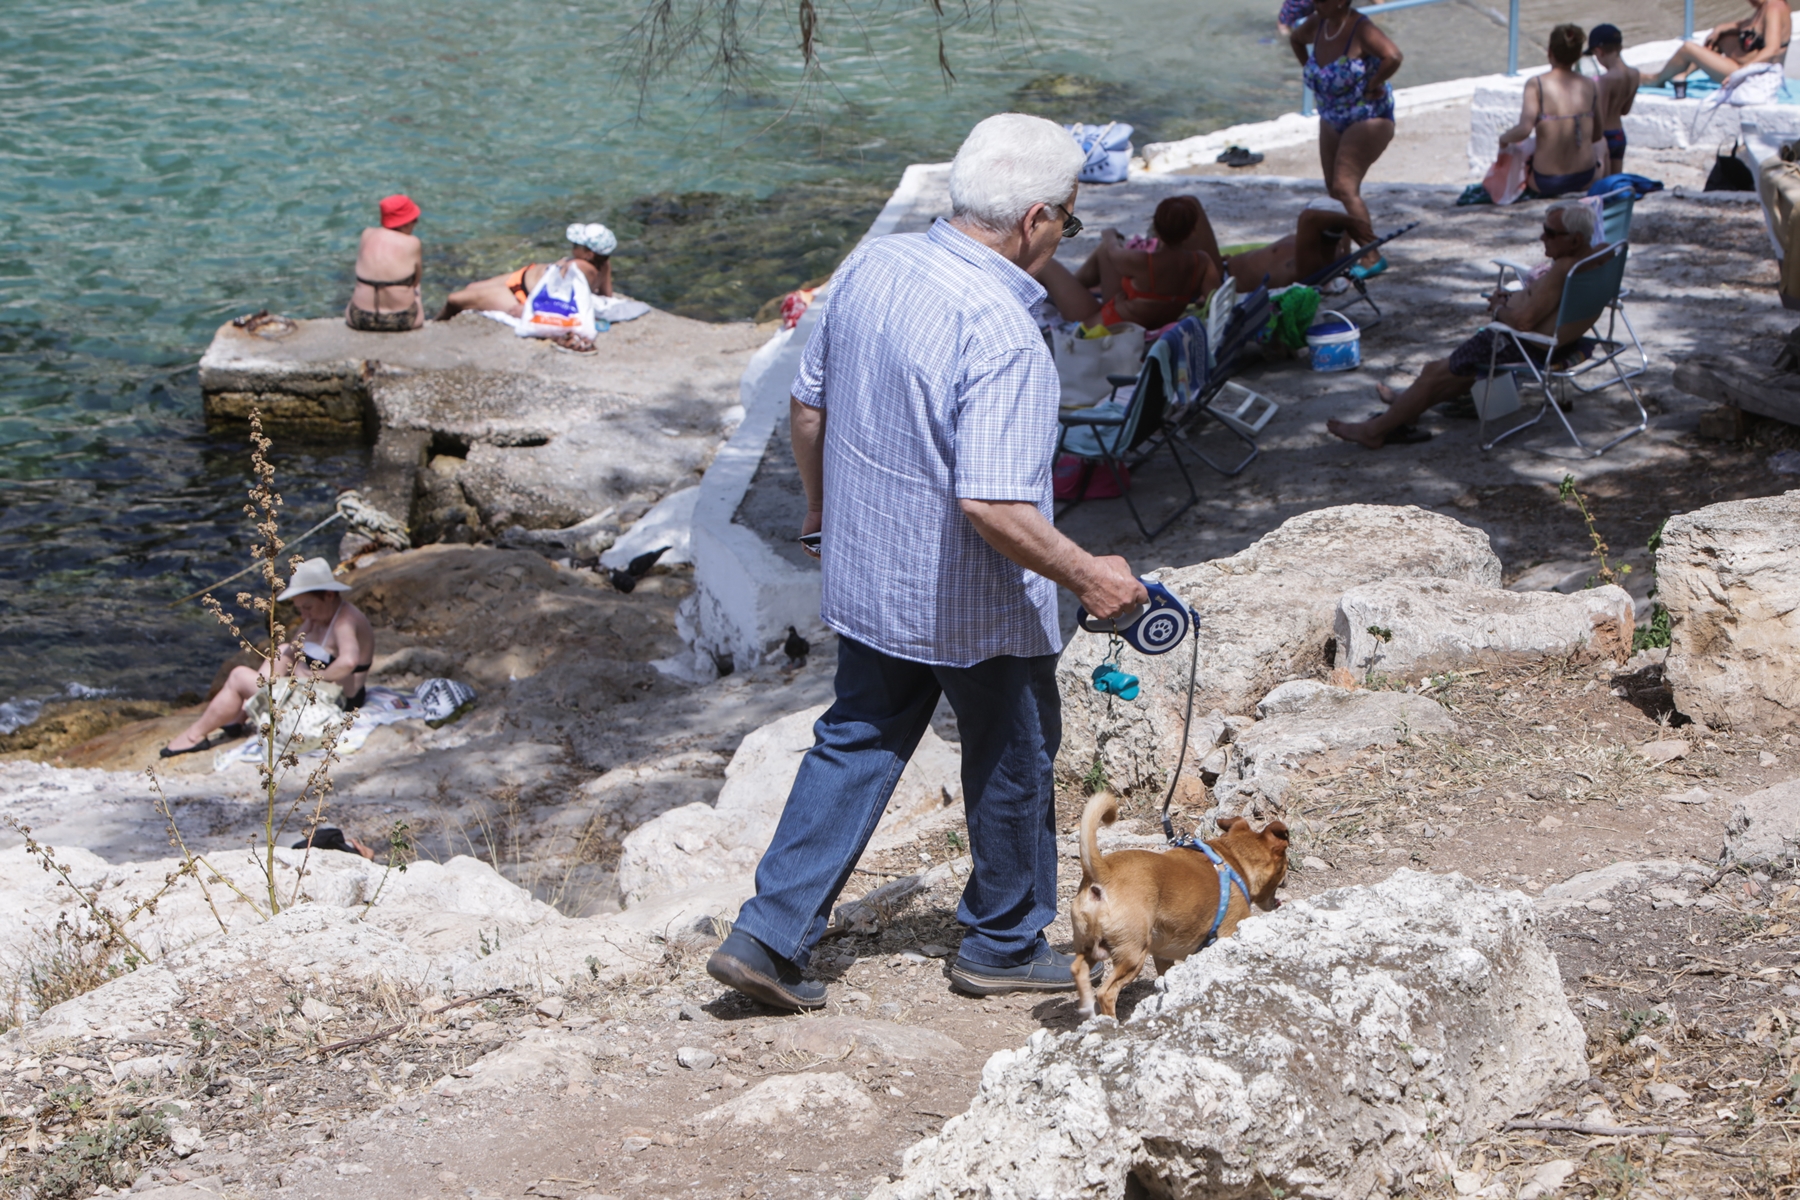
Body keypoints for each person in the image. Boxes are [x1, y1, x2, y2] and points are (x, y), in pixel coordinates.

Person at [704, 113, 1147, 1013]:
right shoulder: (1004, 334)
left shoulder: (874, 267)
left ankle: (768, 932)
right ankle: (1001, 940)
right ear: (1033, 219)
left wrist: (826, 511)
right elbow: (991, 504)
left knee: (857, 737)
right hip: (974, 603)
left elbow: (807, 408)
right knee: (1014, 752)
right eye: (1069, 216)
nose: (1067, 232)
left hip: (872, 576)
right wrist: (1090, 576)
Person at [1326, 201, 1602, 449]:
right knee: (1455, 372)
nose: (1543, 237)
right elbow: (1542, 306)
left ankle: (1374, 431)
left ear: (1575, 239)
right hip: (1565, 341)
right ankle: (1404, 407)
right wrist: (1516, 299)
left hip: (1526, 345)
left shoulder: (1565, 268)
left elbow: (1523, 321)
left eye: (1551, 233)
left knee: (1433, 372)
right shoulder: (1599, 257)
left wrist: (1499, 309)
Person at [161, 558, 376, 757]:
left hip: (335, 700)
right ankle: (244, 710)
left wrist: (312, 678)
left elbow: (348, 661)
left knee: (238, 676)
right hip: (317, 689)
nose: (304, 614)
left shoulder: (344, 621)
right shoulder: (320, 616)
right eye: (300, 608)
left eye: (308, 607)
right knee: (282, 650)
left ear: (329, 595)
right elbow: (295, 648)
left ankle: (195, 736)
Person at [1290, 0, 1402, 269]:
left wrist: (1372, 83)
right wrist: (1310, 67)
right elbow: (1295, 39)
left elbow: (1393, 56)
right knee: (1333, 190)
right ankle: (1342, 251)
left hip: (1368, 115)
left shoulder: (1361, 28)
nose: (1316, 3)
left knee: (1344, 187)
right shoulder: (1318, 24)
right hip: (1331, 115)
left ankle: (1372, 254)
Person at [1039, 195, 1221, 331]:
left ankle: (1061, 293)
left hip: (1101, 326)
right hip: (1144, 323)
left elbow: (1113, 251)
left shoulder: (1144, 262)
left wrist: (1110, 233)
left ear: (1156, 227)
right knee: (1104, 252)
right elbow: (1213, 298)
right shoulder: (1201, 262)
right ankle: (1066, 290)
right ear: (1192, 233)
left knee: (1046, 264)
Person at [437, 223, 617, 321]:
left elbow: (559, 299)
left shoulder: (577, 267)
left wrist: (531, 310)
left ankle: (434, 325)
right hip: (522, 279)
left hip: (522, 296)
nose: (572, 247)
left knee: (456, 299)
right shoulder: (603, 265)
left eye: (576, 245)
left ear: (589, 254)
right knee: (471, 288)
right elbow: (606, 297)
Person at [1651, 0, 1791, 87]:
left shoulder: (1774, 8)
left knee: (1688, 48)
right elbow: (1751, 26)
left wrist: (1740, 74)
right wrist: (1722, 28)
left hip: (1751, 76)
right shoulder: (1765, 7)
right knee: (1721, 38)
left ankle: (1656, 80)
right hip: (1748, 70)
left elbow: (1772, 49)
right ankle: (1683, 74)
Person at [1223, 205, 1356, 291]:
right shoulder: (1334, 250)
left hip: (1224, 282)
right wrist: (1348, 224)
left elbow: (1307, 218)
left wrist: (1352, 223)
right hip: (1225, 266)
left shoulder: (1309, 263)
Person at [346, 195, 424, 333]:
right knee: (417, 289)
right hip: (402, 319)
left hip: (358, 318)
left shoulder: (366, 234)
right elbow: (415, 281)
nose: (415, 224)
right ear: (404, 222)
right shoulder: (412, 242)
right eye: (414, 220)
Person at [1590, 25, 1640, 176]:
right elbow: (1625, 111)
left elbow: (1601, 117)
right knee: (1616, 182)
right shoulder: (1634, 74)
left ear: (1599, 51)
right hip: (1619, 134)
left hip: (1605, 136)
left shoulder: (1605, 80)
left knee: (1604, 185)